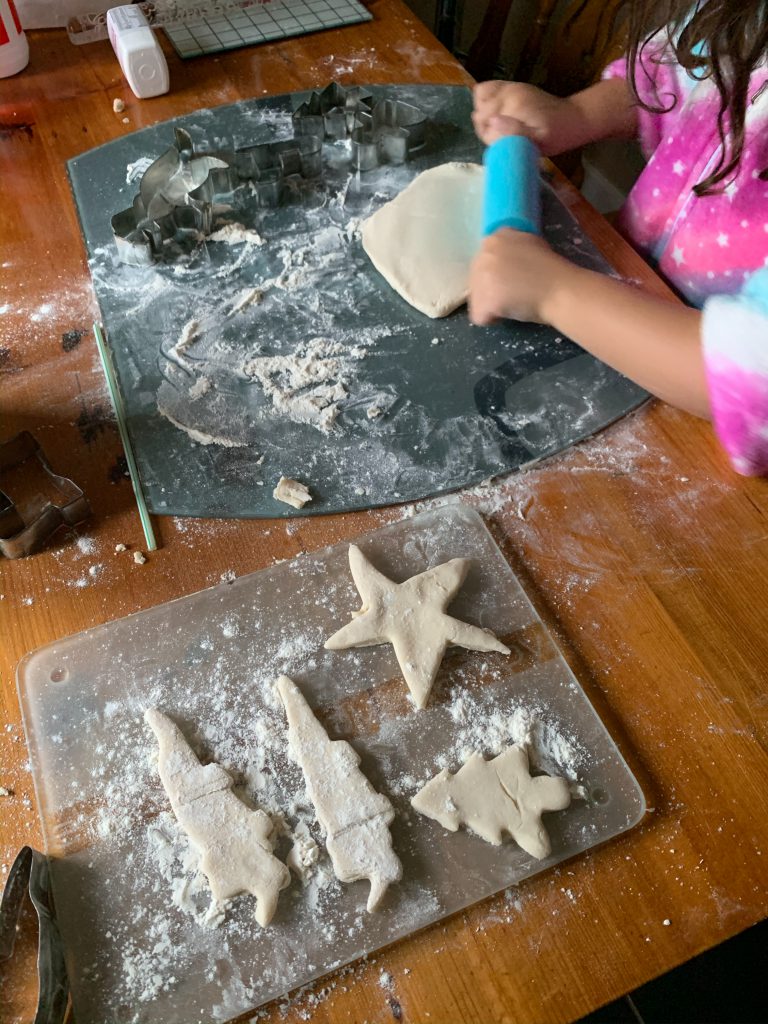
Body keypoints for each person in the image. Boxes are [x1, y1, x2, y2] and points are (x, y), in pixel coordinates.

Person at [469, 0, 768, 476]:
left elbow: (756, 381)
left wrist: (555, 292)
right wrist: (577, 114)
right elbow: (676, 72)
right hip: (634, 273)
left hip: (690, 401)